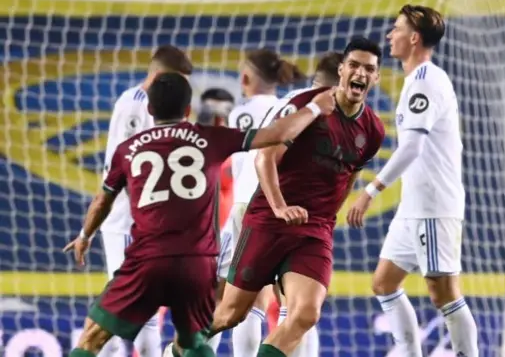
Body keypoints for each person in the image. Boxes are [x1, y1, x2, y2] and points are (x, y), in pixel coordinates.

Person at [63, 71, 337, 357]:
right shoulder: (209, 138)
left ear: (149, 109)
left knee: (91, 339)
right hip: (197, 264)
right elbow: (277, 134)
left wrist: (85, 235)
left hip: (147, 259)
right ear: (187, 109)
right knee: (195, 343)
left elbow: (101, 201)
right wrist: (316, 107)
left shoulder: (128, 149)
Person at [209, 37, 386, 357]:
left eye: (369, 69)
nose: (360, 73)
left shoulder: (372, 131)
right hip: (268, 220)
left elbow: (351, 173)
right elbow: (265, 158)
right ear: (342, 70)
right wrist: (279, 206)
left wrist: (328, 216)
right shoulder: (307, 106)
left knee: (305, 313)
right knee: (231, 313)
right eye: (355, 65)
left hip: (314, 229)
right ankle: (178, 350)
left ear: (376, 78)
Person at [346, 5, 479, 357]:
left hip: (434, 204)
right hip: (413, 206)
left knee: (443, 292)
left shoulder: (427, 81)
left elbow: (413, 147)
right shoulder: (414, 81)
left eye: (397, 29)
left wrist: (371, 192)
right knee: (384, 283)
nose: (390, 35)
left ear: (414, 38)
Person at [210, 48, 306, 356]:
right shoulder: (288, 110)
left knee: (221, 297)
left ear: (245, 78)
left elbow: (229, 164)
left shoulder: (239, 113)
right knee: (278, 301)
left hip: (245, 209)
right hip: (279, 208)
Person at [98, 44, 193, 357]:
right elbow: (131, 166)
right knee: (131, 311)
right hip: (131, 220)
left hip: (144, 221)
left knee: (140, 310)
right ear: (158, 75)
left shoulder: (135, 100)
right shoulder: (137, 105)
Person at [197, 88, 236, 227]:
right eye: (209, 114)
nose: (217, 121)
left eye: (223, 115)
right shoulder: (184, 152)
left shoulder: (244, 153)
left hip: (231, 236)